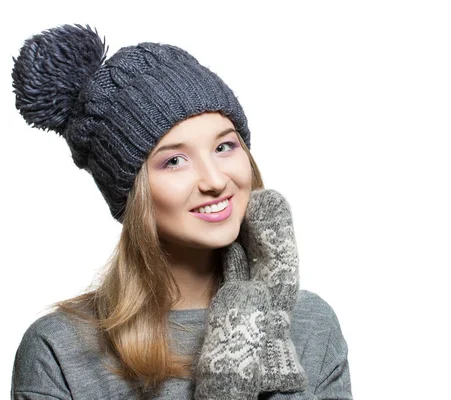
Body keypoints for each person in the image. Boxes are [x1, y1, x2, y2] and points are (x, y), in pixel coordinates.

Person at [10, 24, 352, 400]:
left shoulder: (310, 325)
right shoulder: (59, 350)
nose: (214, 180)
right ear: (132, 191)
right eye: (174, 160)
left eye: (225, 147)